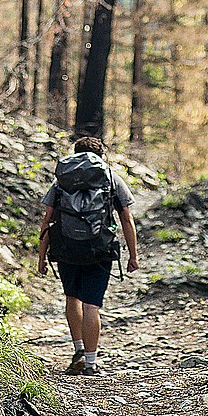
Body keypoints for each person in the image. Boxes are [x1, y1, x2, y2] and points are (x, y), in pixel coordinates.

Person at [37, 134, 138, 376]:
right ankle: (91, 363)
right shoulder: (111, 177)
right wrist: (133, 255)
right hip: (99, 250)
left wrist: (41, 257)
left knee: (72, 299)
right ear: (101, 155)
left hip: (66, 249)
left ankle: (78, 351)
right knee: (92, 305)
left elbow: (48, 220)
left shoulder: (62, 180)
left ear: (74, 154)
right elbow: (126, 217)